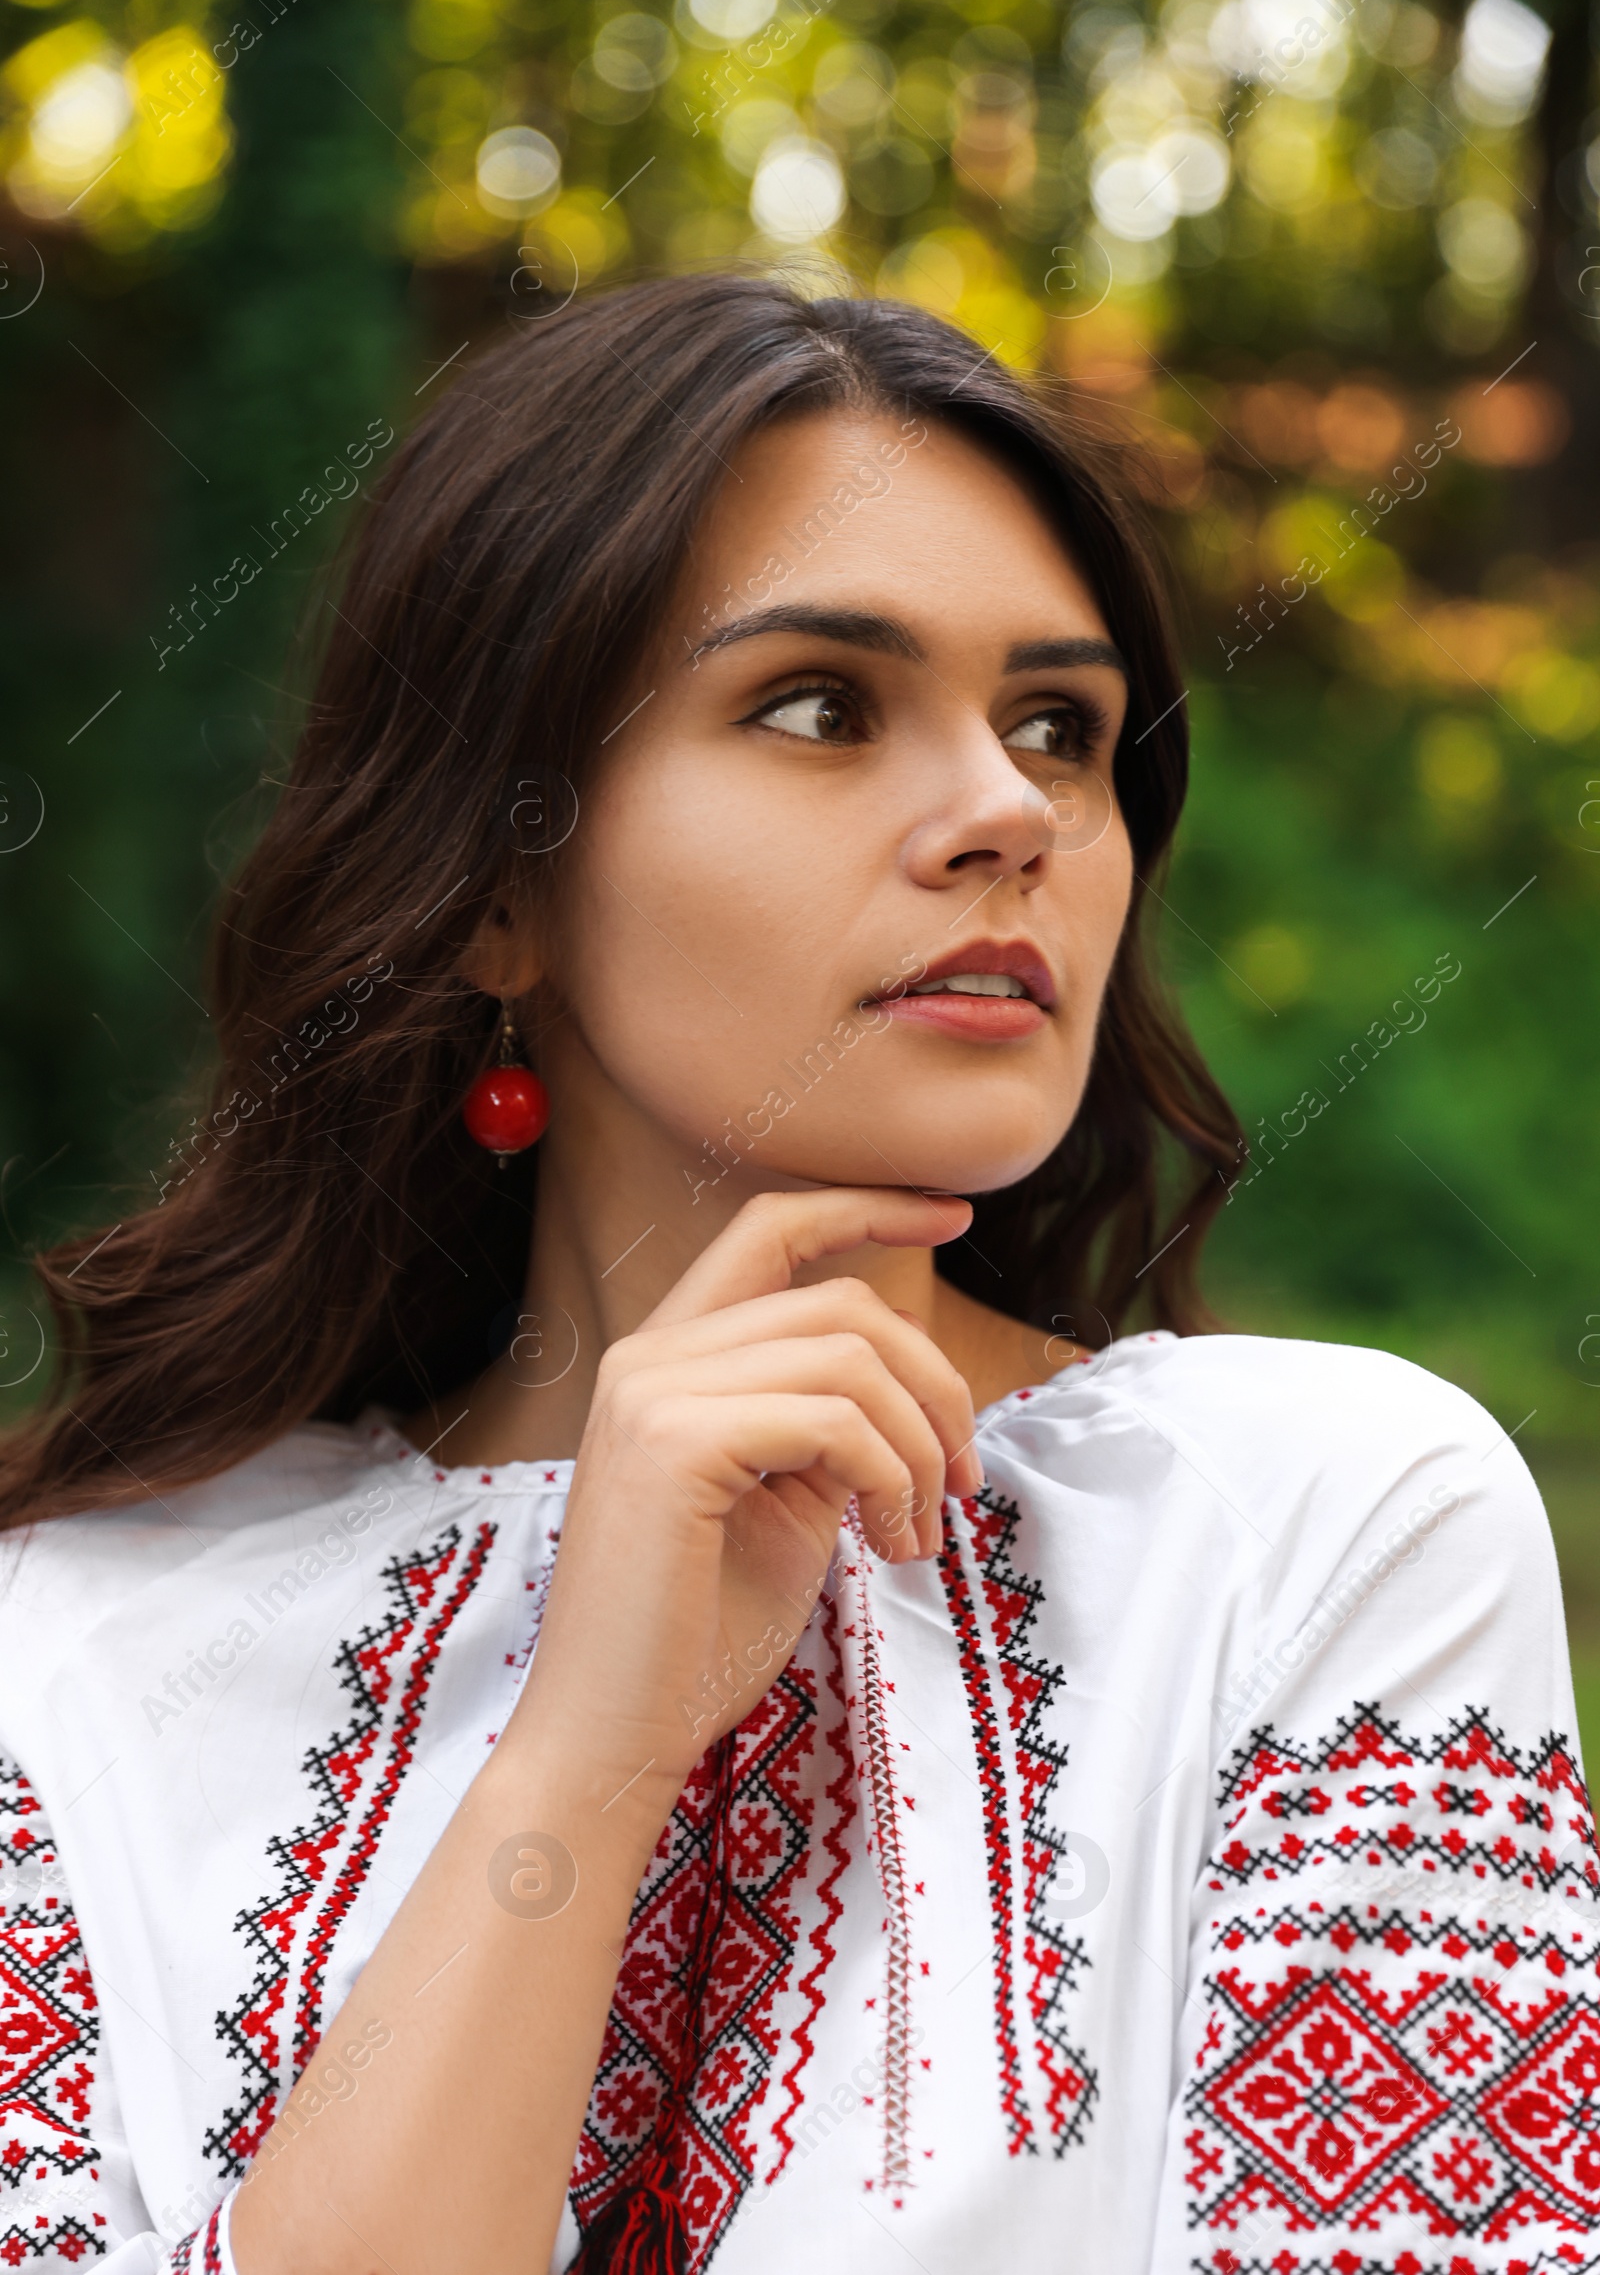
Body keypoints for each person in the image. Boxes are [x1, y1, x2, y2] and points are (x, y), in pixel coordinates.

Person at [1, 276, 1593, 2275]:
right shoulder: (77, 1653)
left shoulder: (1309, 1526)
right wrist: (592, 1745)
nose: (1011, 812)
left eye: (1059, 727)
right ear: (496, 885)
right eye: (821, 704)